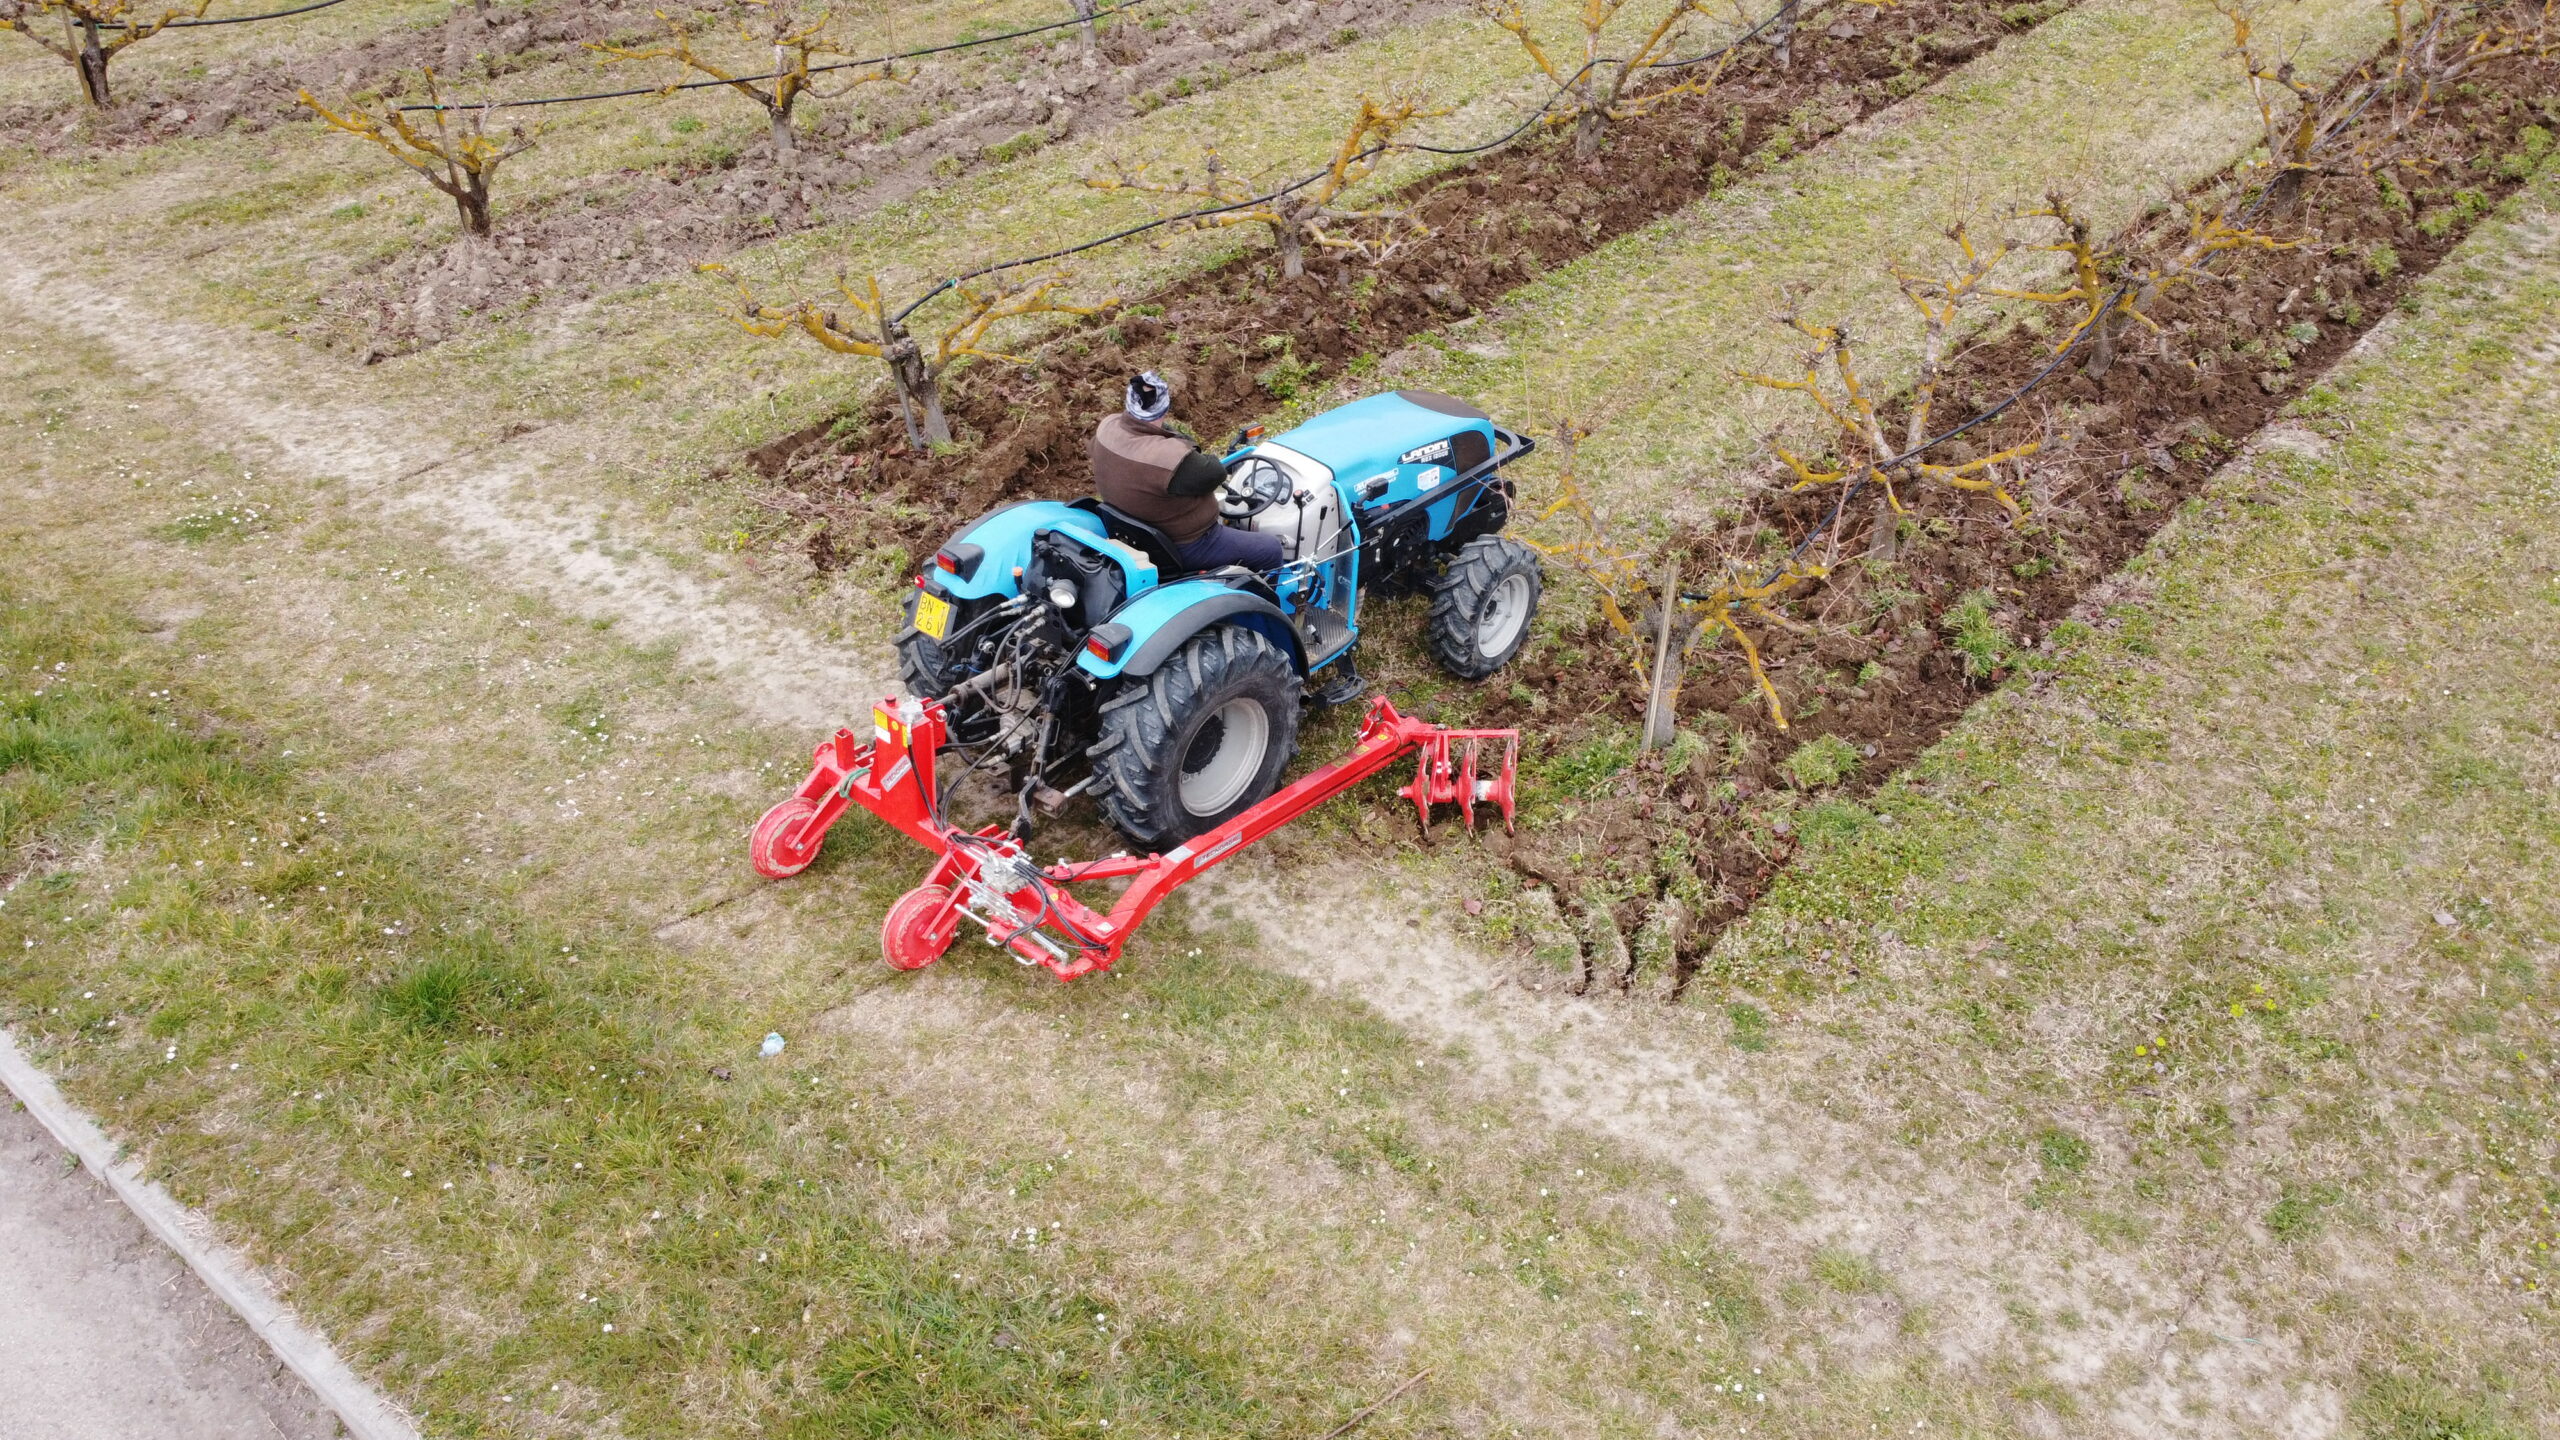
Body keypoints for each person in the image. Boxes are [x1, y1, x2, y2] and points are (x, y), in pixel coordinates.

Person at [1091, 372, 1285, 572]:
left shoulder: (1106, 428)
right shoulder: (1171, 457)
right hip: (1188, 544)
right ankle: (1266, 597)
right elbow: (1215, 472)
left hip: (1136, 531)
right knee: (1269, 549)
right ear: (1164, 407)